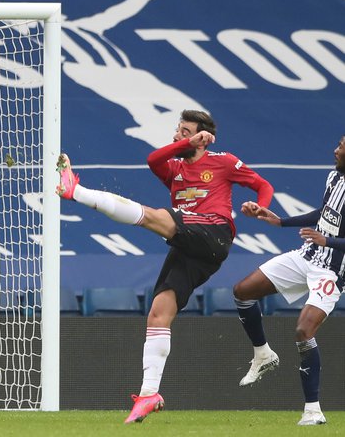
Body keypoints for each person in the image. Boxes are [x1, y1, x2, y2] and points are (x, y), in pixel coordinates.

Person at [56, 110, 274, 424]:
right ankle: (149, 394)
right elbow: (153, 158)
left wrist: (261, 205)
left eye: (185, 131)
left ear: (202, 140)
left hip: (214, 232)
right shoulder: (172, 168)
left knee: (156, 216)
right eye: (178, 129)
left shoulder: (223, 161)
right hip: (190, 246)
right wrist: (187, 142)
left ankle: (75, 191)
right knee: (159, 312)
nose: (176, 136)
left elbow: (261, 184)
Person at [233, 134, 345, 426]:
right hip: (307, 255)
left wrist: (329, 241)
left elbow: (330, 233)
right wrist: (280, 221)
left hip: (331, 271)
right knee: (243, 291)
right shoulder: (335, 177)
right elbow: (325, 213)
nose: (335, 149)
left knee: (303, 331)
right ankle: (263, 354)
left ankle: (313, 410)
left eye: (342, 146)